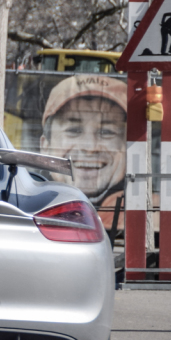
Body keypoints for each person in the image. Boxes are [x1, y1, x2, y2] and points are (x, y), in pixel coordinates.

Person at [40, 74, 127, 230]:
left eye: (107, 131)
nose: (90, 147)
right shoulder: (21, 207)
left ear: (127, 147)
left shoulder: (164, 216)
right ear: (45, 146)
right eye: (73, 130)